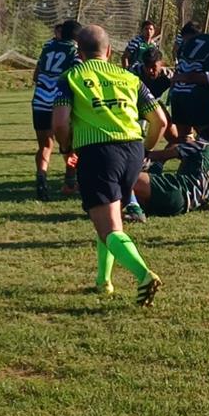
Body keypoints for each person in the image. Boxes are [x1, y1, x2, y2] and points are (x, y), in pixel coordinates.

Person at [52, 24, 168, 305]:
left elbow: (59, 122)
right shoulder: (129, 77)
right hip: (131, 150)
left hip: (98, 153)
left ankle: (144, 275)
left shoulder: (70, 77)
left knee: (110, 228)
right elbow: (161, 122)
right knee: (109, 220)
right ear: (109, 51)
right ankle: (103, 282)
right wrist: (145, 150)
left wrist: (66, 147)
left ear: (79, 52)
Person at [32, 19, 82, 201]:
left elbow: (36, 75)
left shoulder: (48, 46)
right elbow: (76, 78)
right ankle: (70, 181)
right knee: (70, 146)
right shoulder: (76, 51)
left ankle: (41, 177)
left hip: (39, 101)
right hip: (60, 103)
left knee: (45, 145)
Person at [133, 139, 209, 217]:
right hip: (181, 207)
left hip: (175, 191)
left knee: (128, 177)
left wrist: (144, 155)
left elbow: (165, 154)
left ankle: (134, 211)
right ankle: (134, 206)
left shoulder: (203, 146)